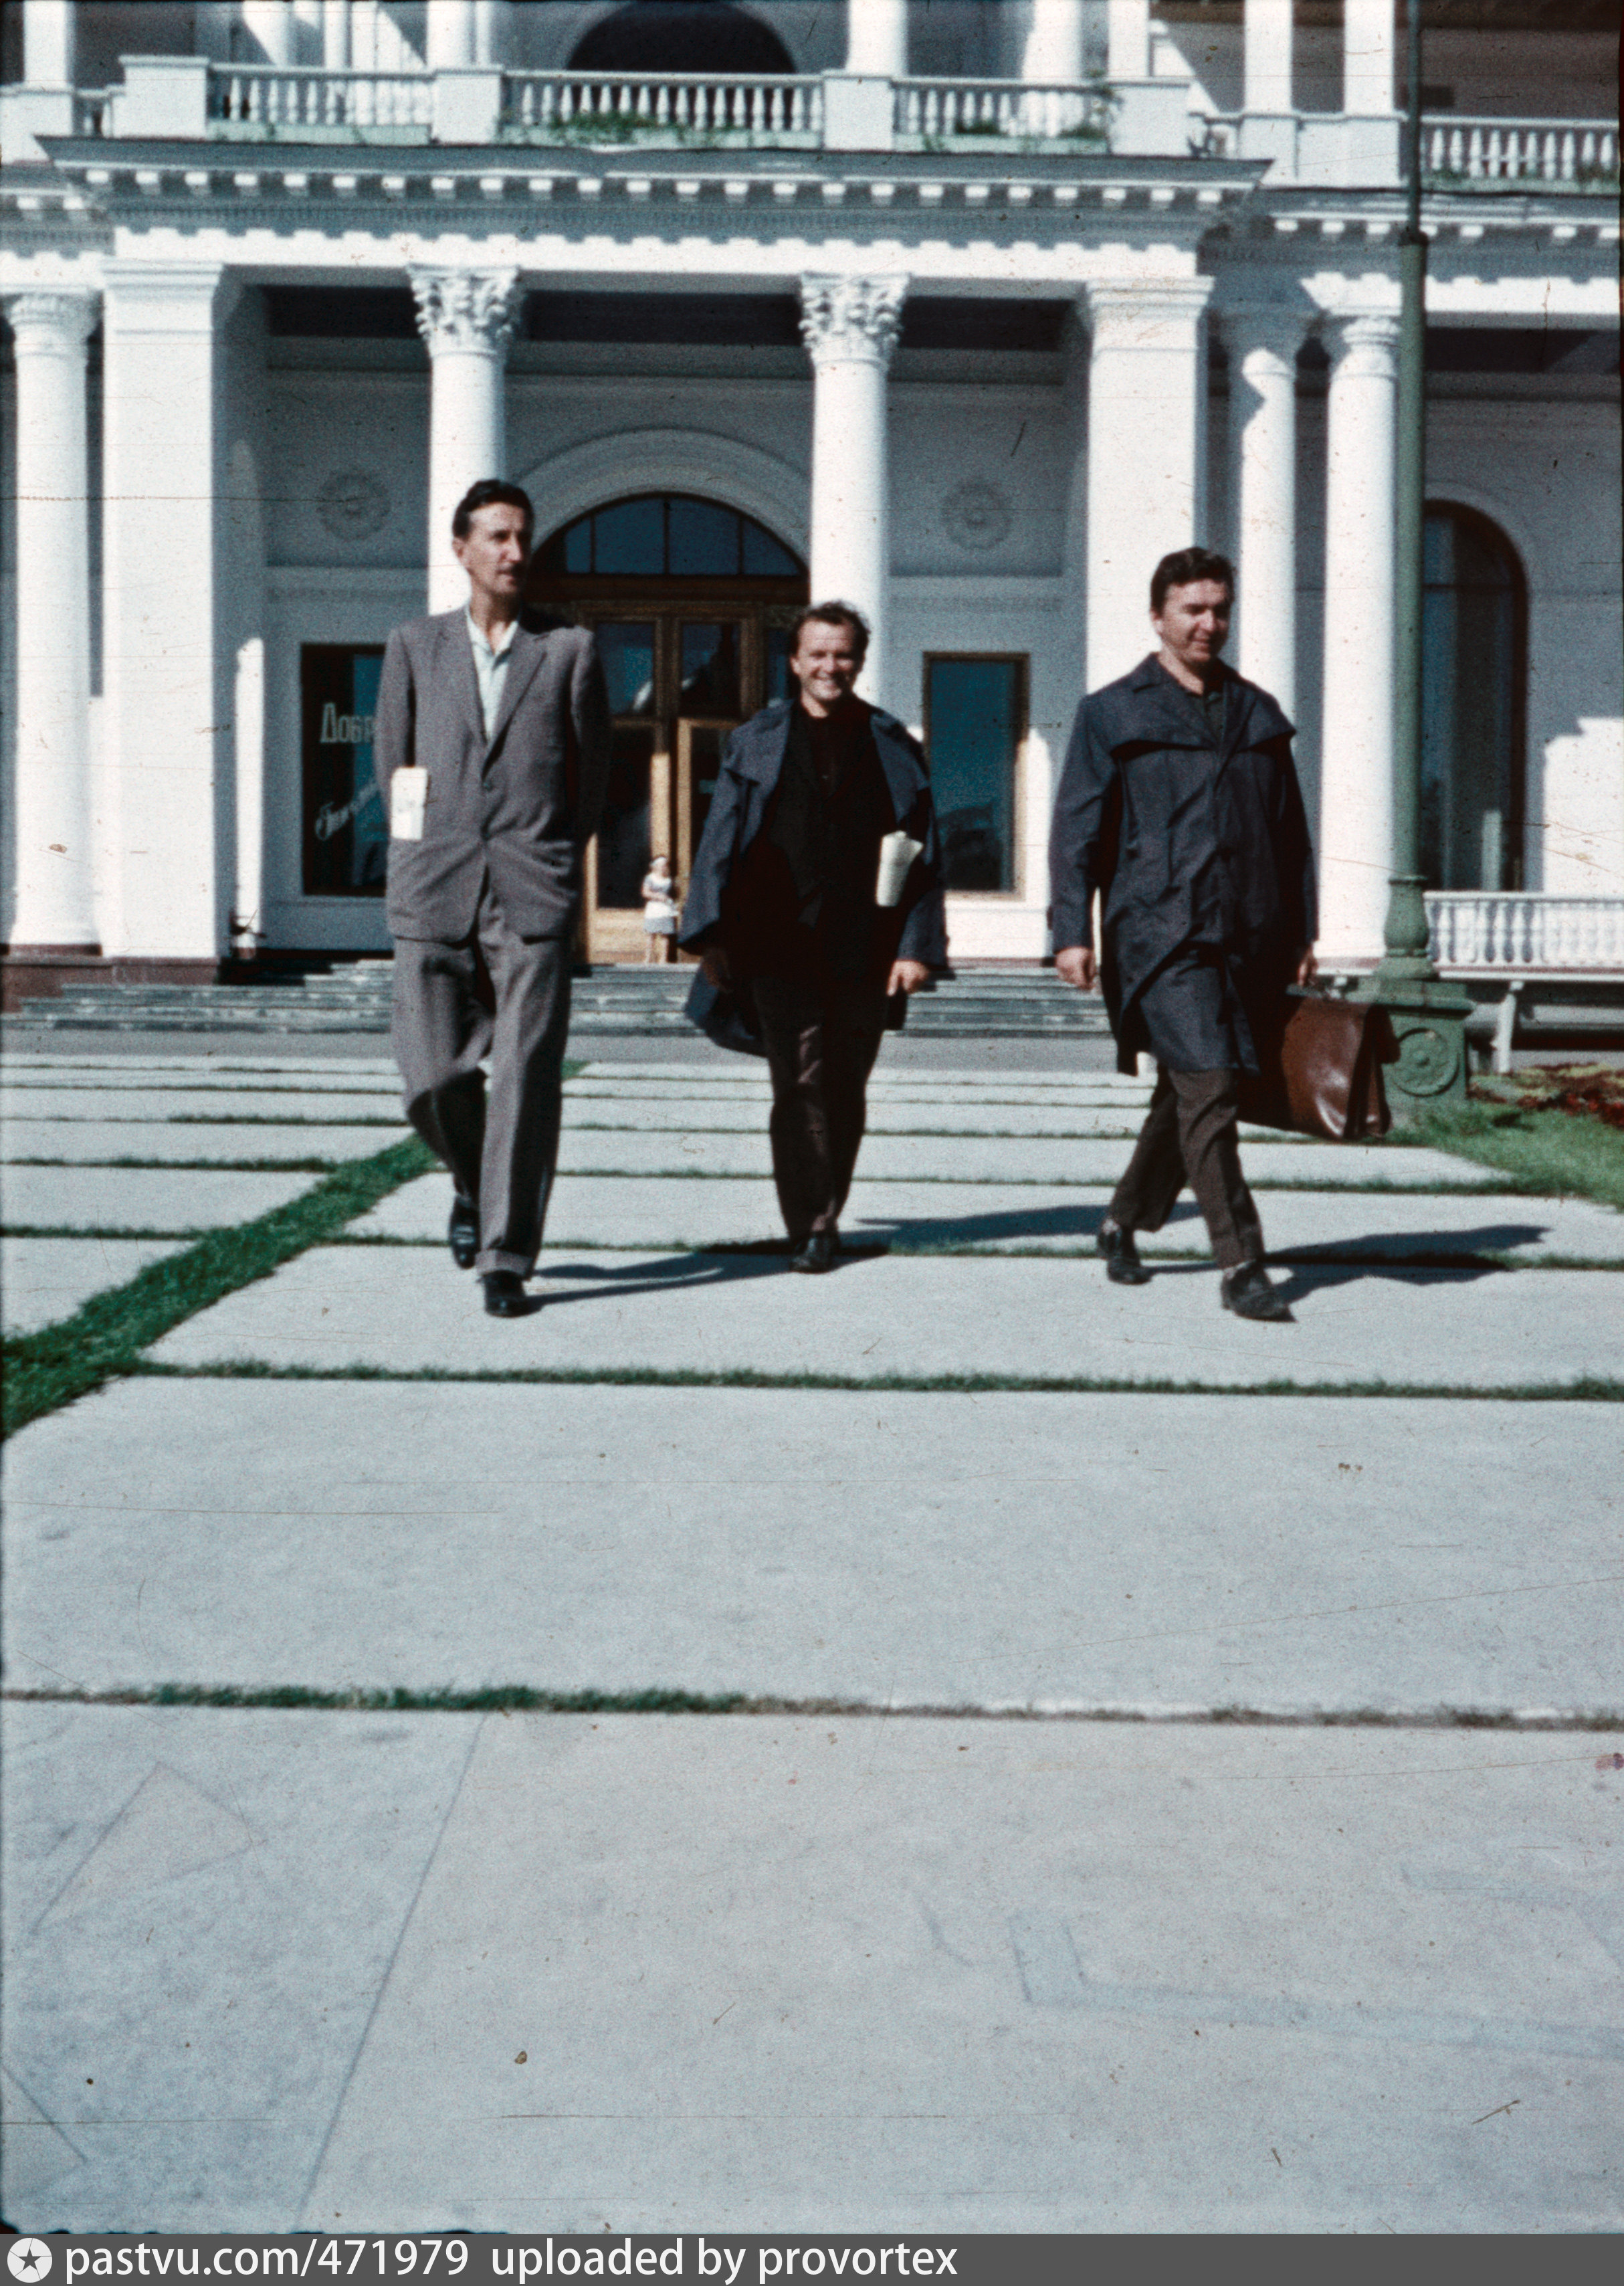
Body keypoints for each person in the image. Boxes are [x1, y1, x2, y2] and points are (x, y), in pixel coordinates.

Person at [1049, 546, 1317, 1323]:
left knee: (1191, 1091)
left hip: (1248, 933)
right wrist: (1071, 930)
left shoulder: (1257, 711)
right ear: (1158, 617)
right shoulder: (1112, 712)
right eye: (1193, 609)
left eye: (1219, 609)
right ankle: (1241, 1264)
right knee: (1212, 1086)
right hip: (1160, 933)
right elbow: (1075, 831)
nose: (1209, 623)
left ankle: (1122, 1219)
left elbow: (1290, 836)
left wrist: (1301, 930)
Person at [374, 479, 611, 1317]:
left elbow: (590, 779)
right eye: (498, 537)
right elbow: (394, 770)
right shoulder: (414, 646)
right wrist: (421, 856)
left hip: (531, 892)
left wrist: (551, 857)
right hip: (432, 887)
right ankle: (474, 1181)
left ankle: (506, 1257)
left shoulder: (568, 650)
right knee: (430, 1077)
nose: (514, 552)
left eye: (522, 537)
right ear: (461, 549)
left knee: (524, 1076)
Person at [679, 602, 947, 1273]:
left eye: (843, 654)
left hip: (866, 945)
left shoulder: (892, 743)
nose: (831, 666)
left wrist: (916, 946)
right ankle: (813, 1225)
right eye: (818, 654)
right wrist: (710, 936)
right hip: (776, 942)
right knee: (799, 1083)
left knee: (845, 1086)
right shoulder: (756, 740)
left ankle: (824, 1208)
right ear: (795, 661)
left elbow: (924, 852)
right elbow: (719, 842)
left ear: (860, 660)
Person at [641, 855, 678, 961]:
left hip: (665, 909)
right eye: (661, 865)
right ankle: (648, 958)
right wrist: (657, 896)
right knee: (651, 934)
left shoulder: (669, 880)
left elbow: (675, 894)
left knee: (665, 935)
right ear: (655, 866)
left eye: (665, 865)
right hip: (654, 909)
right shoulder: (650, 878)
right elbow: (645, 892)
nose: (663, 867)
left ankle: (663, 959)